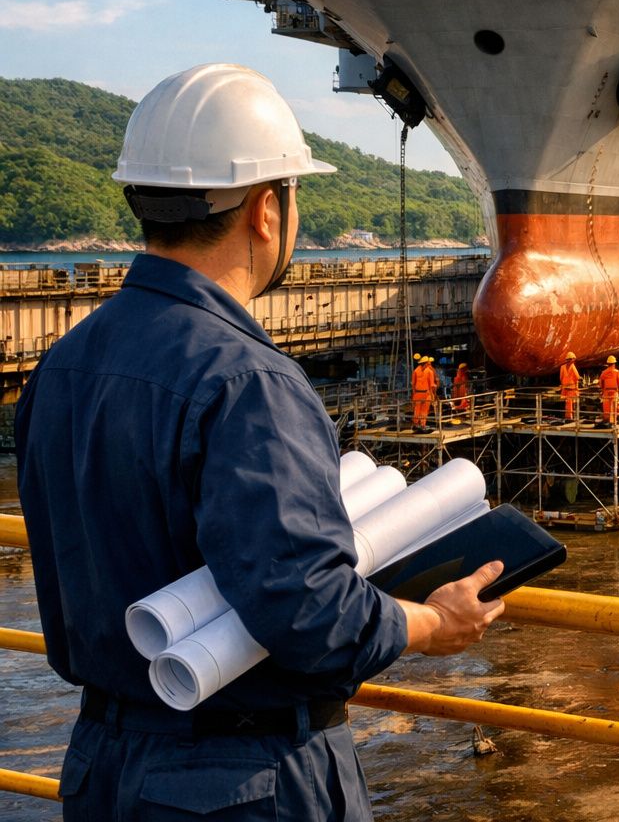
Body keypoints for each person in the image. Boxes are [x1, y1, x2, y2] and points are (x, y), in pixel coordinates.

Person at [15, 63, 505, 822]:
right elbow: (307, 609)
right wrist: (433, 622)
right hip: (244, 781)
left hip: (102, 765)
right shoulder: (248, 381)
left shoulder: (62, 366)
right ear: (266, 210)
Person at [411, 353, 435, 432]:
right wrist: (432, 396)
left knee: (417, 410)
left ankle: (415, 424)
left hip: (417, 394)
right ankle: (422, 425)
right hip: (426, 394)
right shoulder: (430, 372)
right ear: (427, 363)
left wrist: (414, 394)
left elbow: (413, 384)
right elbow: (431, 385)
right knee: (424, 411)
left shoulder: (415, 371)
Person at [600, 354, 619, 424]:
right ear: (614, 364)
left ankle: (607, 420)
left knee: (606, 407)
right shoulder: (617, 372)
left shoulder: (603, 373)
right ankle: (614, 421)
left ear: (608, 364)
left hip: (606, 392)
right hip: (614, 391)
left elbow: (601, 383)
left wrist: (603, 390)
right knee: (615, 406)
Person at [559, 351, 581, 422]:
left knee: (567, 403)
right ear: (572, 359)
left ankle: (568, 417)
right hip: (572, 388)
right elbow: (577, 377)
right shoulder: (573, 367)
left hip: (565, 388)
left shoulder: (562, 367)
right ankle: (570, 418)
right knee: (571, 404)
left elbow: (561, 377)